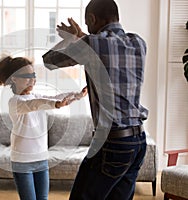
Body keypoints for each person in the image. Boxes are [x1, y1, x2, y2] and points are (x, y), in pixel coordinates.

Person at [42, 0, 148, 199]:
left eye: (88, 23)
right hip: (137, 142)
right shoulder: (139, 43)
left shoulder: (92, 44)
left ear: (92, 18)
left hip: (112, 143)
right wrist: (82, 36)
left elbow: (49, 61)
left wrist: (71, 38)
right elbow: (105, 48)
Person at [0, 55, 87, 200]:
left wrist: (78, 95)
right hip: (22, 161)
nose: (32, 80)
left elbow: (55, 97)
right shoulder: (15, 102)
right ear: (14, 79)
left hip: (41, 158)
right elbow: (36, 104)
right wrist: (55, 105)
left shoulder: (35, 95)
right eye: (27, 76)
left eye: (33, 75)